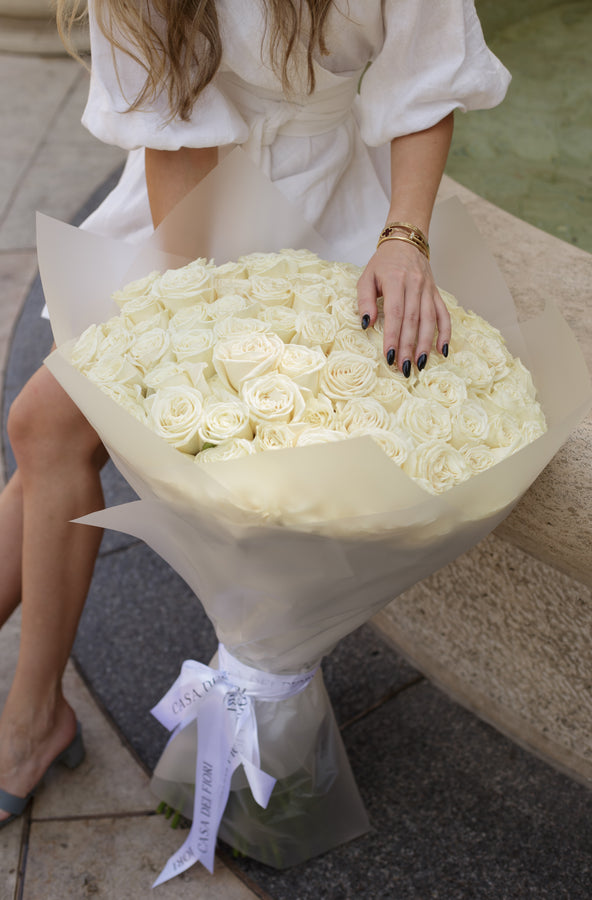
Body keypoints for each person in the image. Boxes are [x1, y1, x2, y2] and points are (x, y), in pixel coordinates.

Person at [0, 0, 510, 825]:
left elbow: (425, 79)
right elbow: (176, 145)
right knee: (49, 423)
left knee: (47, 427)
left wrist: (406, 239)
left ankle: (32, 723)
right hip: (185, 207)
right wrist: (206, 331)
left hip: (338, 203)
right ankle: (32, 719)